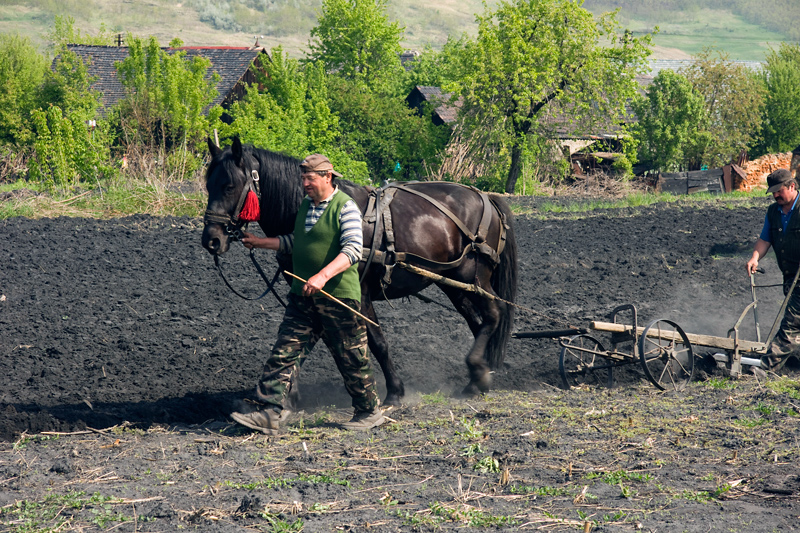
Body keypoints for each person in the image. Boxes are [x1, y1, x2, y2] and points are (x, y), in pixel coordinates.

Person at [230, 154, 385, 434]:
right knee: (284, 352)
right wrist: (260, 242)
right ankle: (268, 412)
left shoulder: (345, 207)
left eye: (310, 178)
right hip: (303, 296)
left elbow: (351, 250)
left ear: (327, 176)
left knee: (352, 356)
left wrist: (323, 276)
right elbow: (295, 242)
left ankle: (369, 411)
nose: (304, 183)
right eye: (303, 178)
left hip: (338, 296)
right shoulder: (305, 207)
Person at [746, 168, 800, 371]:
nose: (776, 195)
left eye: (779, 190)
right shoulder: (773, 212)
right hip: (790, 276)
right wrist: (755, 257)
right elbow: (765, 238)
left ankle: (766, 368)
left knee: (792, 322)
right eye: (773, 192)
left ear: (792, 186)